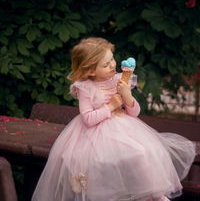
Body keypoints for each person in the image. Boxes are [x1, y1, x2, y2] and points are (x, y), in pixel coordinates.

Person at [32, 37, 196, 201]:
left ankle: (153, 194)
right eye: (105, 64)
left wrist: (127, 96)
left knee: (145, 151)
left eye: (112, 59)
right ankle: (109, 196)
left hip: (124, 127)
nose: (112, 65)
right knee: (101, 161)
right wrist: (110, 107)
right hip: (93, 134)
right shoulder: (86, 87)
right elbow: (88, 118)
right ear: (90, 71)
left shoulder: (119, 79)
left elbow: (134, 113)